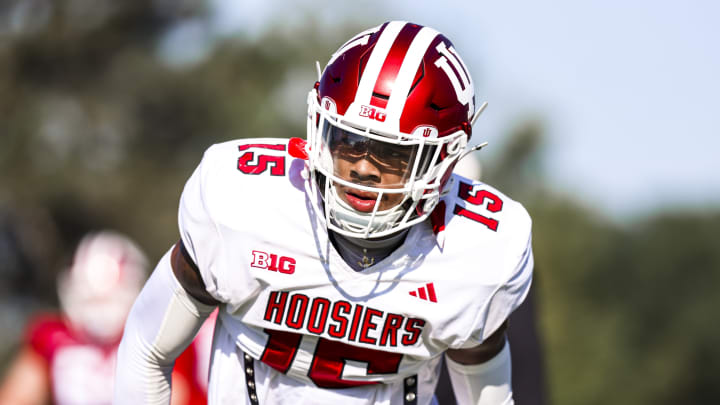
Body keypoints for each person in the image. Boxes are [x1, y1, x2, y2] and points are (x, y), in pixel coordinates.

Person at [114, 20, 533, 405]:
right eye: (349, 139)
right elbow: (147, 351)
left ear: (442, 161)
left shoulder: (478, 252)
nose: (363, 167)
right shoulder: (241, 203)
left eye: (391, 152)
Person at [0, 231, 209, 405]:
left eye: (108, 300)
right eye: (90, 300)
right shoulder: (52, 338)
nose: (99, 311)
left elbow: (175, 397)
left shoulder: (162, 335)